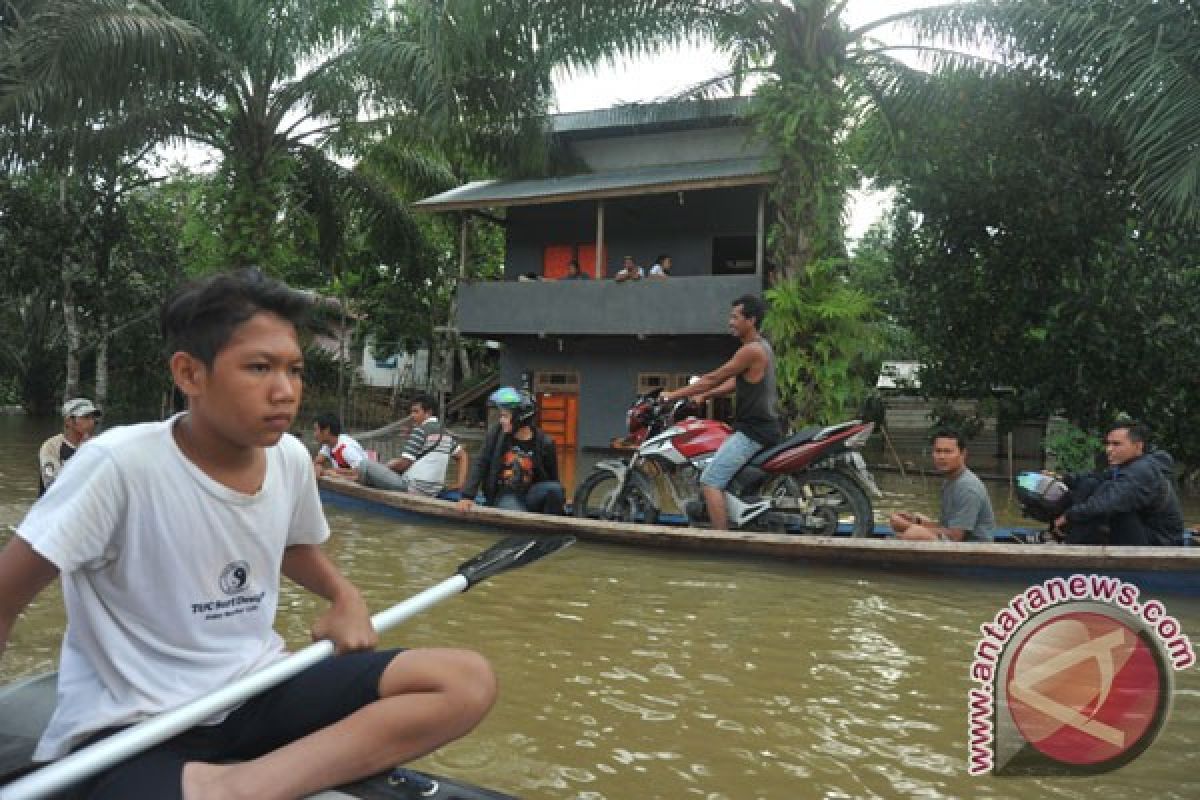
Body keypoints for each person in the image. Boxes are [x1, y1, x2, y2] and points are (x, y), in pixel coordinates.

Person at [0, 269, 495, 799]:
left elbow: (291, 543)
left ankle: (243, 786)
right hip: (134, 725)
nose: (285, 391)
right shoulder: (117, 465)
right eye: (259, 368)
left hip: (256, 689)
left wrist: (343, 594)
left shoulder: (288, 459)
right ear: (190, 374)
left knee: (465, 681)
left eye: (295, 370)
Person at [660, 294, 782, 530]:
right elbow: (737, 383)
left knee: (710, 482)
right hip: (763, 428)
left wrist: (672, 395)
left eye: (735, 317)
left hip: (753, 432)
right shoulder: (763, 347)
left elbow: (714, 377)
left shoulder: (750, 351)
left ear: (751, 320)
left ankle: (721, 539)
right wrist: (706, 396)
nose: (730, 322)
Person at [1053, 421, 1183, 546]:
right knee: (1090, 484)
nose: (1108, 449)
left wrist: (1069, 516)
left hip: (1161, 541)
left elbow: (1107, 503)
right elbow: (1097, 478)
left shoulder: (1142, 470)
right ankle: (1067, 538)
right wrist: (1063, 478)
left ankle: (1071, 543)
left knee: (1109, 503)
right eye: (1108, 444)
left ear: (1138, 446)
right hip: (1141, 529)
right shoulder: (1126, 465)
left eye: (1116, 444)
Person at [456, 387, 565, 515]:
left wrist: (559, 500)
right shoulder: (496, 435)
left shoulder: (545, 442)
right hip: (505, 494)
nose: (501, 420)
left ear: (520, 418)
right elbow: (481, 464)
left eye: (505, 416)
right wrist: (467, 496)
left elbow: (552, 479)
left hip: (532, 493)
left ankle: (552, 528)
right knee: (518, 514)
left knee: (555, 489)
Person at [891, 430, 996, 542]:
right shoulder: (949, 481)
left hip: (974, 551)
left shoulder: (968, 488)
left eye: (948, 452)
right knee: (905, 520)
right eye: (938, 451)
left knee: (914, 533)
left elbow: (955, 536)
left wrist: (909, 526)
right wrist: (915, 521)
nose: (942, 456)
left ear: (963, 454)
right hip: (955, 541)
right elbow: (946, 527)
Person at [358, 393, 468, 497]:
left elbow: (404, 464)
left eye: (416, 412)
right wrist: (460, 483)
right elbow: (463, 456)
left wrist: (387, 466)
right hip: (434, 491)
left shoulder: (420, 430)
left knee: (365, 464)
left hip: (411, 487)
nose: (412, 415)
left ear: (428, 413)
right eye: (412, 412)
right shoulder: (445, 433)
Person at [38, 397, 102, 496]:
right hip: (54, 506)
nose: (92, 422)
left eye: (93, 418)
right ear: (69, 421)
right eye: (86, 417)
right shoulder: (51, 446)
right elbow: (52, 486)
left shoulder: (98, 445)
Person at [313, 412, 368, 478]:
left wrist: (334, 471)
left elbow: (362, 471)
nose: (314, 434)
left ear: (327, 430)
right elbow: (317, 461)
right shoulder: (328, 444)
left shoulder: (346, 448)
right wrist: (318, 466)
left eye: (316, 430)